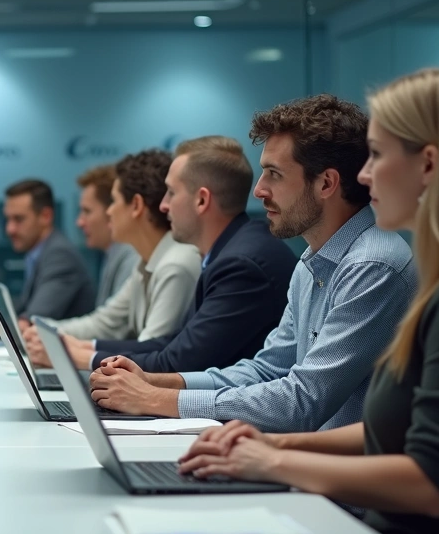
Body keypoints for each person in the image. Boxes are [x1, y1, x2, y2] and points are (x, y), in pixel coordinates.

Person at [178, 68, 439, 534]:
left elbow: (429, 482)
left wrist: (271, 463)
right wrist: (273, 445)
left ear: (428, 164)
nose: (363, 176)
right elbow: (400, 429)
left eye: (377, 155)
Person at [90, 94, 417, 433]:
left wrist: (157, 400)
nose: (259, 190)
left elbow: (303, 401)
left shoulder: (372, 266)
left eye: (274, 174)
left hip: (339, 466)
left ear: (326, 183)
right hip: (305, 455)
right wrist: (155, 382)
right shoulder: (311, 261)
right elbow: (266, 370)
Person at [31, 136, 295, 371]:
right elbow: (172, 344)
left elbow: (179, 362)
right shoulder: (227, 252)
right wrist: (85, 348)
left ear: (202, 200)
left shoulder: (239, 264)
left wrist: (79, 357)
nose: (163, 205)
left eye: (171, 192)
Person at [26, 149, 200, 354]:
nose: (110, 211)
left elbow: (152, 351)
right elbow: (106, 323)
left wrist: (76, 351)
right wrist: (45, 331)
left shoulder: (175, 266)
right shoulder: (146, 262)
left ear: (136, 205)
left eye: (114, 201)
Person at [0, 179, 95, 335]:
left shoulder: (60, 255)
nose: (10, 229)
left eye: (19, 219)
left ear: (46, 216)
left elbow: (33, 319)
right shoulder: (39, 254)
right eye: (8, 219)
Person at [74, 164, 139, 306]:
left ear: (111, 210)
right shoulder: (113, 254)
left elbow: (116, 319)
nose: (79, 222)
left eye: (87, 211)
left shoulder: (132, 258)